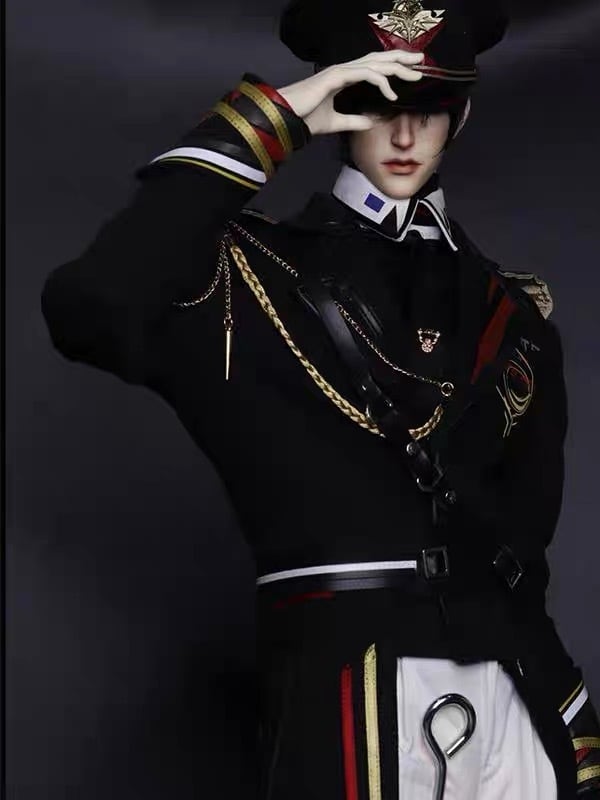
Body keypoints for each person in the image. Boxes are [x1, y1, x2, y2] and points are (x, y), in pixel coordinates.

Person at [40, 0, 600, 797]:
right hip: (349, 695)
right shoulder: (243, 274)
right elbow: (90, 305)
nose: (405, 135)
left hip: (516, 701)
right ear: (338, 105)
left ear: (464, 113)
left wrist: (567, 711)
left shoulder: (516, 314)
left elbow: (526, 549)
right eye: (378, 104)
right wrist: (278, 118)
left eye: (431, 106)